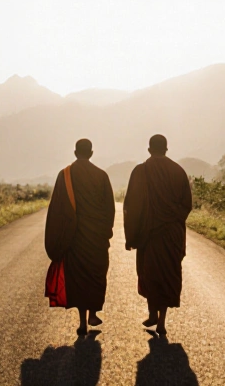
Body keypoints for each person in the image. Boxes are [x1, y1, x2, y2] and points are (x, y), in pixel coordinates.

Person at [44, 138, 116, 337]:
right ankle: (93, 313)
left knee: (78, 277)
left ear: (75, 153)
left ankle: (82, 321)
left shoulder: (64, 175)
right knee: (95, 274)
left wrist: (59, 236)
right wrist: (106, 231)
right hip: (96, 238)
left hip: (74, 238)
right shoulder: (101, 176)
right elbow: (109, 209)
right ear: (91, 153)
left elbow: (57, 210)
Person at [123, 134, 192, 335]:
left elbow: (131, 206)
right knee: (167, 275)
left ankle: (153, 314)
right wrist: (172, 220)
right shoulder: (178, 171)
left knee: (150, 274)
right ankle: (160, 319)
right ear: (166, 149)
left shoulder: (140, 171)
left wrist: (131, 236)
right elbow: (186, 205)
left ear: (149, 149)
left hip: (148, 234)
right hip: (171, 235)